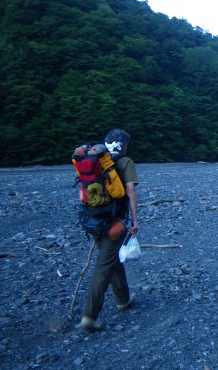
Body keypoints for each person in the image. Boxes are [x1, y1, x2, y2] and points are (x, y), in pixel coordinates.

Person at [80, 129, 139, 332]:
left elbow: (84, 194)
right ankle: (89, 316)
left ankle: (123, 299)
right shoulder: (125, 162)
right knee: (103, 267)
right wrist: (135, 221)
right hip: (114, 223)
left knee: (111, 258)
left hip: (92, 220)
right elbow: (130, 191)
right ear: (123, 146)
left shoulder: (93, 161)